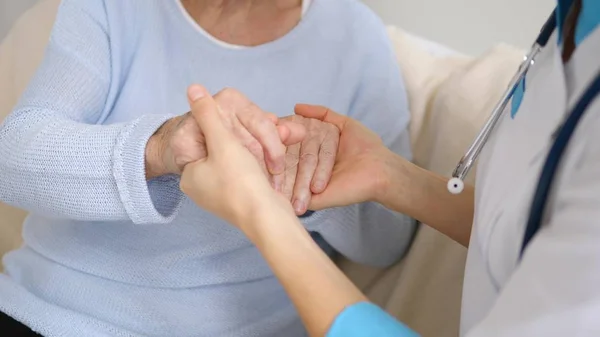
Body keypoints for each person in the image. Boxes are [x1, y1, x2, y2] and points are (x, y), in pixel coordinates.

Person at [179, 0, 600, 335]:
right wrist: (391, 176)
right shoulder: (577, 21)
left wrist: (262, 214)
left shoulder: (353, 35)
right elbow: (537, 224)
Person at [0, 0, 416, 336]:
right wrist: (160, 146)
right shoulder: (114, 8)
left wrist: (305, 182)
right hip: (42, 314)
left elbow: (389, 240)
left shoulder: (357, 37)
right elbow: (10, 160)